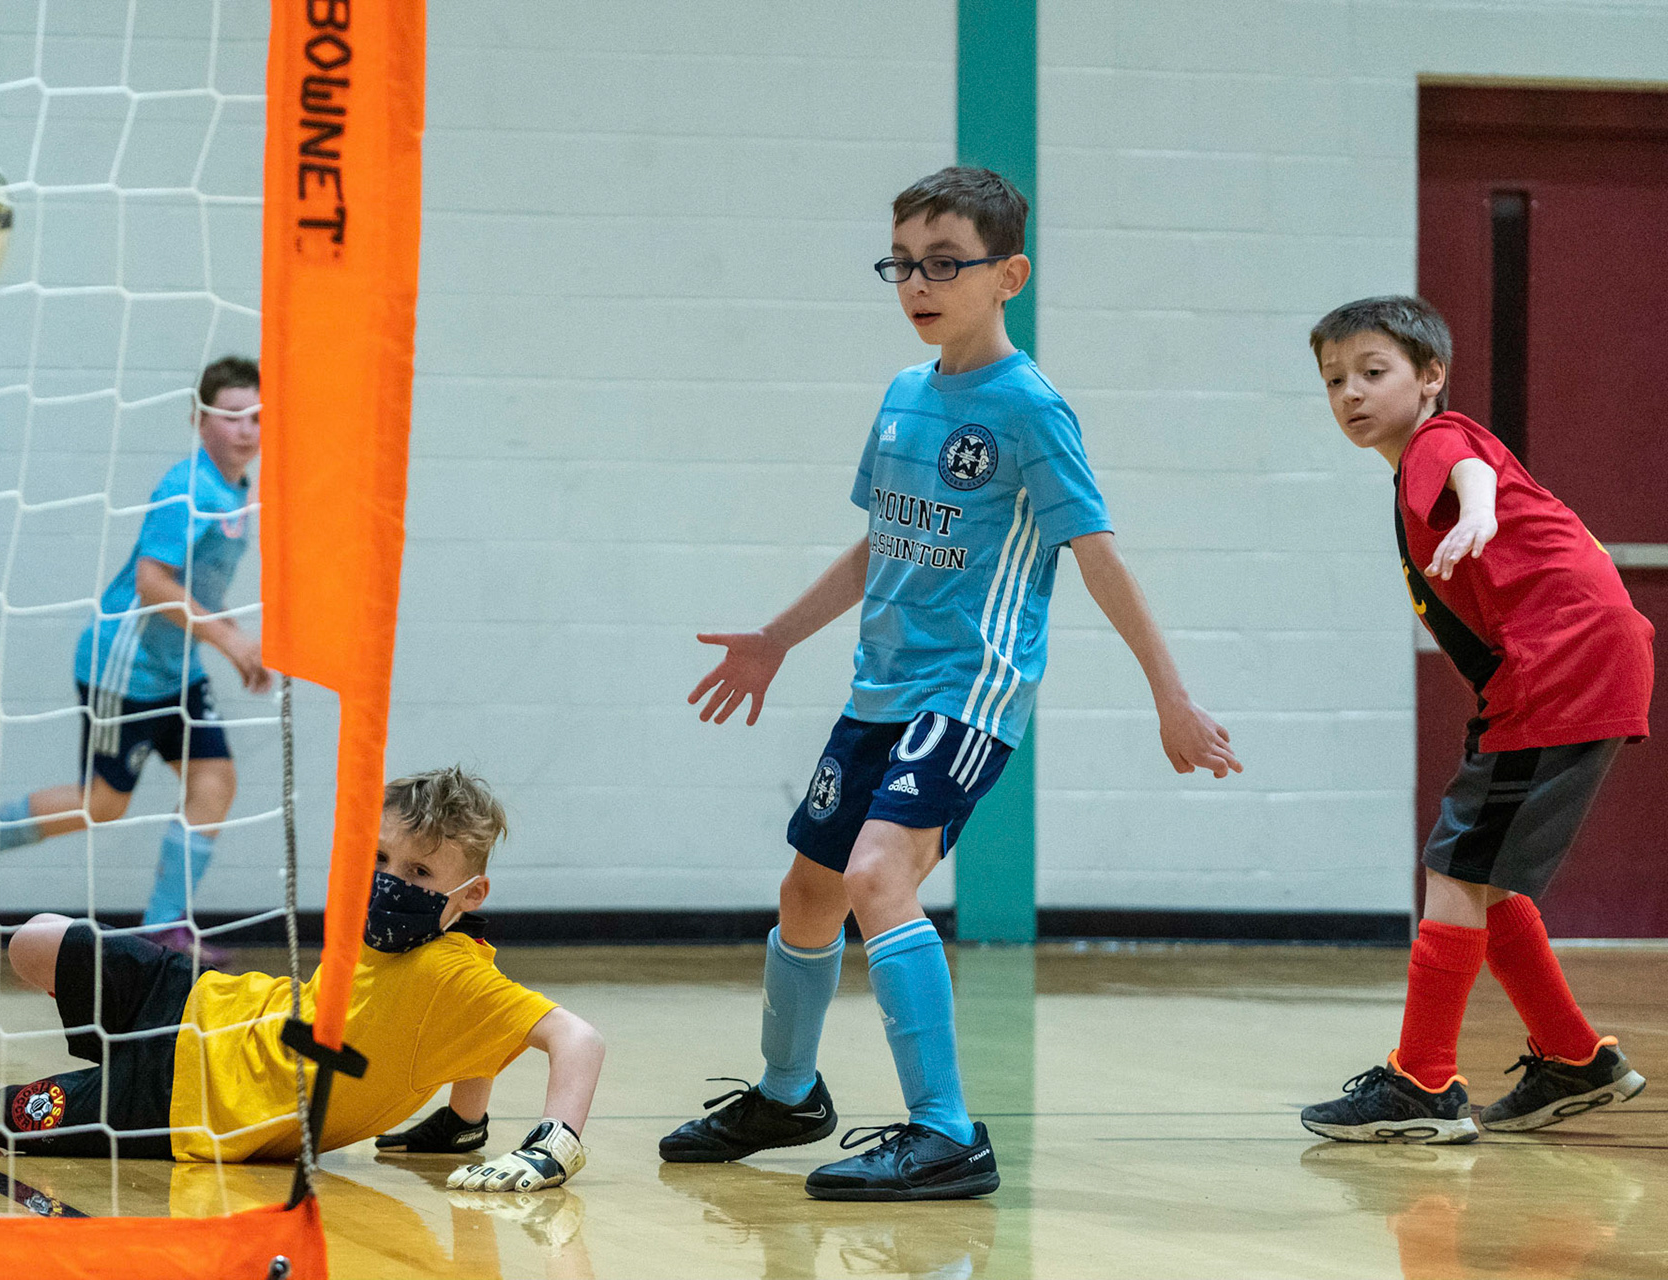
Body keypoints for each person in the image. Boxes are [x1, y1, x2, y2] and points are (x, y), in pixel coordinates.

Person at [658, 166, 1242, 1201]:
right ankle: (788, 1091)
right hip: (877, 686)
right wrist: (777, 638)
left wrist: (1172, 695)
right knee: (809, 888)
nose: (918, 284)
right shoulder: (901, 394)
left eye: (943, 264)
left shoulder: (1029, 406)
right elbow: (879, 541)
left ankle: (948, 1132)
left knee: (882, 874)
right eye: (903, 264)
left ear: (1007, 272)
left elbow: (1099, 553)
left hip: (970, 690)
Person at [0, 768, 604, 1191]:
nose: (389, 882)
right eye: (379, 860)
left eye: (417, 873)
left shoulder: (453, 972)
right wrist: (461, 1124)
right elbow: (463, 1042)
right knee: (36, 939)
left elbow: (576, 1037)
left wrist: (552, 1144)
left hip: (186, 1105)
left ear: (469, 895)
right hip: (201, 999)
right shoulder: (438, 949)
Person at [1299, 295, 1652, 1143]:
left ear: (1430, 379)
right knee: (1481, 875)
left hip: (1561, 666)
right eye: (1334, 379)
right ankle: (1574, 1058)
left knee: (1457, 866)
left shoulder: (1438, 443)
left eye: (1373, 373)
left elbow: (1470, 475)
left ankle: (1421, 1083)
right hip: (1564, 667)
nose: (1351, 393)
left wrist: (1483, 509)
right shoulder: (1417, 462)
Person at [0, 356, 271, 962]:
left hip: (177, 667)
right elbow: (153, 581)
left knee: (214, 782)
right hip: (124, 665)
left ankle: (165, 925)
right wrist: (231, 641)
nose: (247, 429)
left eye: (258, 417)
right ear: (199, 421)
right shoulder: (188, 487)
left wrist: (229, 632)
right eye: (232, 416)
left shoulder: (236, 491)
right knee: (102, 804)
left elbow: (197, 586)